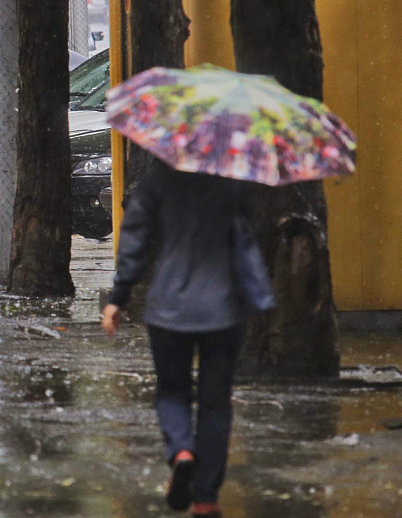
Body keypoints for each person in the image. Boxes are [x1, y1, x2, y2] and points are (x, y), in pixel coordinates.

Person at [102, 171, 274, 518]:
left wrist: (118, 296)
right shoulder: (234, 181)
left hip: (169, 308)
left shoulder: (157, 182)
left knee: (171, 392)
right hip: (223, 309)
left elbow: (134, 238)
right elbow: (248, 234)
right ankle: (206, 498)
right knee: (215, 404)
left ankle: (181, 451)